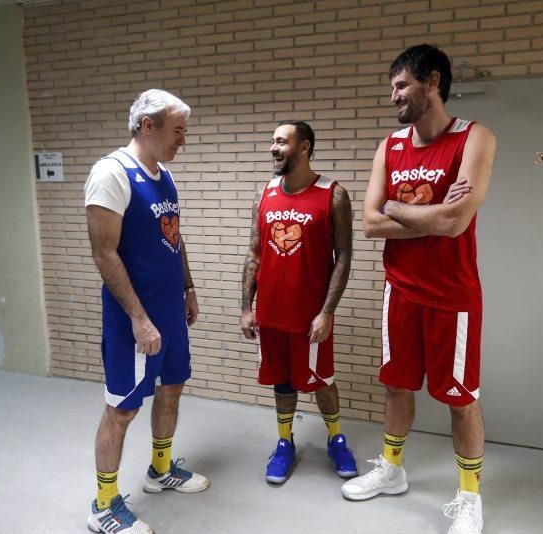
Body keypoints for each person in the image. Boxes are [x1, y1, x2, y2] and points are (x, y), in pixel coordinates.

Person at [340, 44, 496, 534]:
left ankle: (469, 499)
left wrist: (397, 209)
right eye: (392, 88)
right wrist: (428, 218)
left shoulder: (475, 138)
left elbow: (455, 221)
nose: (395, 97)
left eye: (402, 86)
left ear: (433, 82)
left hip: (454, 294)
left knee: (460, 398)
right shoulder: (391, 146)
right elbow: (367, 223)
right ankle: (392, 468)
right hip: (400, 290)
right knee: (396, 385)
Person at [84, 89, 209, 534]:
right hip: (133, 321)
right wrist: (139, 318)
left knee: (172, 386)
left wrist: (188, 288)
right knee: (121, 409)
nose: (183, 140)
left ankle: (160, 470)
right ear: (148, 125)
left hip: (171, 312)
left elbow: (173, 236)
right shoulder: (111, 173)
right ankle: (103, 503)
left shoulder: (164, 175)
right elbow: (104, 253)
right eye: (178, 131)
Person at [239, 120, 358, 484]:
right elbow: (254, 253)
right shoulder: (266, 192)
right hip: (272, 314)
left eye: (281, 142)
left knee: (321, 379)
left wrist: (327, 312)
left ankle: (336, 440)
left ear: (303, 147)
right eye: (272, 141)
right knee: (282, 381)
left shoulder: (333, 194)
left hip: (310, 317)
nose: (273, 148)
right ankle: (284, 442)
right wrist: (246, 307)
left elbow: (343, 257)